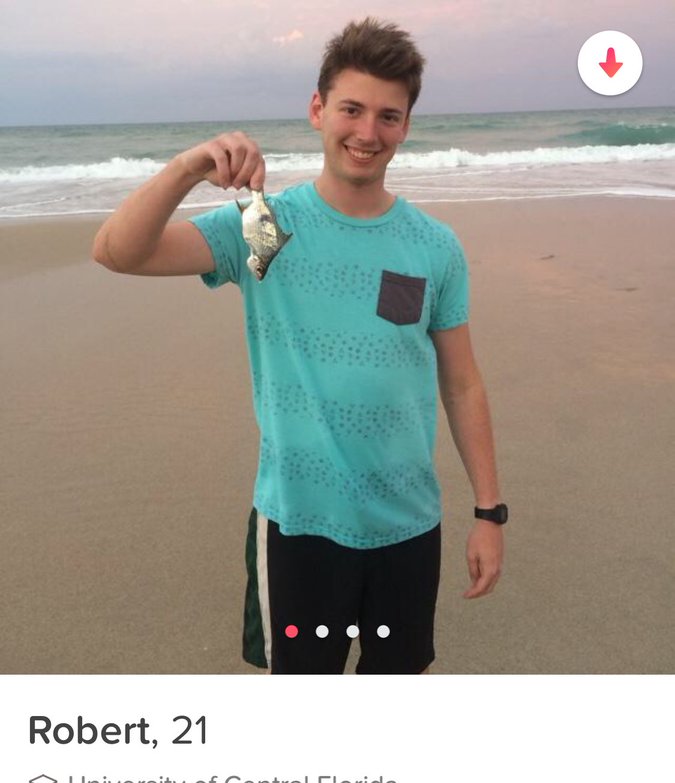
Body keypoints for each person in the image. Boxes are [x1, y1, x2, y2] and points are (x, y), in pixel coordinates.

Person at [92, 17, 507, 674]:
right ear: (318, 110)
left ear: (406, 126)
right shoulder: (268, 229)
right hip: (298, 527)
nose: (367, 133)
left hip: (407, 525)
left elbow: (461, 384)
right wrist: (188, 168)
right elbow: (118, 252)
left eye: (388, 116)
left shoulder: (432, 246)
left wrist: (489, 513)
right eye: (351, 109)